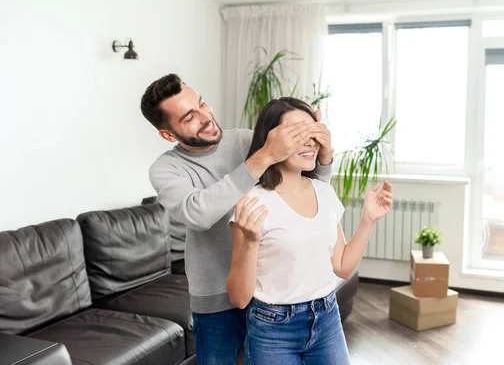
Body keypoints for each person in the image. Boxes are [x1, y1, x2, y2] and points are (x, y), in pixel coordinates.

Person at [140, 74, 335, 365]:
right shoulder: (167, 169)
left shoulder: (247, 139)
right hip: (217, 299)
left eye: (202, 104)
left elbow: (309, 185)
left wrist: (325, 154)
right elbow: (198, 214)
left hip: (272, 293)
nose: (206, 117)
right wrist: (263, 157)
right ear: (168, 134)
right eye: (189, 117)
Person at [226, 97, 394, 365]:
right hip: (273, 329)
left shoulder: (323, 191)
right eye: (297, 134)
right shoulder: (252, 202)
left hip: (326, 317)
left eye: (313, 133)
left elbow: (342, 266)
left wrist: (368, 219)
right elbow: (239, 297)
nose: (310, 143)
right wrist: (250, 242)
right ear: (270, 140)